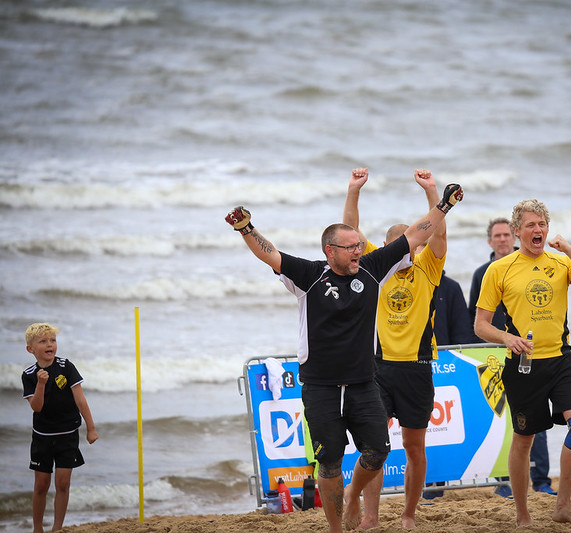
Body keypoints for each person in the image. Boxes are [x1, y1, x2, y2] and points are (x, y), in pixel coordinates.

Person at [225, 170, 463, 533]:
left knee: (378, 451)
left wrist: (443, 202)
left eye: (359, 246)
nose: (359, 250)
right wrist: (246, 228)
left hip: (363, 383)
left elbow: (418, 233)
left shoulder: (370, 269)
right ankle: (336, 529)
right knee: (330, 464)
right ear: (330, 251)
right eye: (351, 247)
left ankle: (354, 499)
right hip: (320, 386)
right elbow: (270, 254)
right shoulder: (308, 276)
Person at [474, 199, 571, 527]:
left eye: (542, 225)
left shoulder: (561, 263)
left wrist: (570, 251)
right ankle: (522, 513)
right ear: (517, 231)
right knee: (524, 440)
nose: (538, 230)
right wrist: (506, 338)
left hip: (561, 360)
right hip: (523, 366)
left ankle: (563, 504)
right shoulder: (499, 269)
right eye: (530, 225)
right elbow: (480, 324)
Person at [342, 168, 446, 529]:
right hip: (378, 368)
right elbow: (349, 234)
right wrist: (354, 190)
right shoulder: (374, 269)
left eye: (411, 245)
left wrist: (432, 191)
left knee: (415, 448)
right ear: (386, 250)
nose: (406, 251)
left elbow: (438, 230)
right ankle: (369, 514)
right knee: (373, 447)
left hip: (416, 367)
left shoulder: (428, 267)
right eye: (398, 246)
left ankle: (408, 514)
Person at [469, 217, 553, 496]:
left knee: (535, 419)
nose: (503, 239)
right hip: (494, 352)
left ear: (513, 237)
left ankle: (541, 480)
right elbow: (475, 318)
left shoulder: (530, 265)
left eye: (507, 234)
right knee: (503, 419)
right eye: (498, 235)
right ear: (489, 240)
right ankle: (504, 481)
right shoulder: (483, 272)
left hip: (529, 351)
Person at [21, 323, 99, 533]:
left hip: (67, 435)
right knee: (41, 485)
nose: (50, 344)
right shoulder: (29, 374)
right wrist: (40, 384)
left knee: (63, 484)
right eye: (43, 341)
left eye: (52, 340)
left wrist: (90, 428)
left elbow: (80, 399)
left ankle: (57, 529)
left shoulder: (66, 366)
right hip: (42, 437)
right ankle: (38, 529)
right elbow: (36, 407)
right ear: (31, 349)